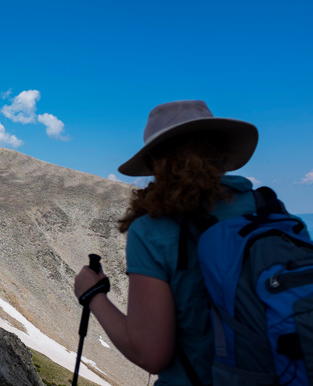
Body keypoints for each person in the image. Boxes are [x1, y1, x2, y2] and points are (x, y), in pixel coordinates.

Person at [74, 100, 261, 385]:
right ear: (222, 153)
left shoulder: (153, 228)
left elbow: (152, 354)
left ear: (155, 161)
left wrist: (93, 296)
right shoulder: (265, 208)